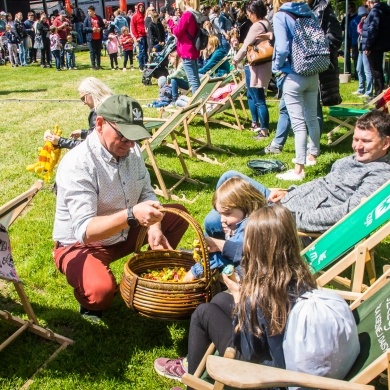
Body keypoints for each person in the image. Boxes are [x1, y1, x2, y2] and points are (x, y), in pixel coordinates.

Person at [52, 94, 189, 320]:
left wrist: (154, 227)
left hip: (124, 231)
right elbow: (85, 231)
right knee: (100, 295)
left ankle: (148, 270)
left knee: (177, 215)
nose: (130, 144)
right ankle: (91, 295)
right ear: (99, 123)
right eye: (124, 136)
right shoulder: (78, 163)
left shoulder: (130, 150)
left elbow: (146, 191)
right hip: (81, 245)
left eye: (134, 137)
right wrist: (132, 215)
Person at [154, 205, 317, 387]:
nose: (245, 245)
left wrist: (240, 297)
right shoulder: (295, 274)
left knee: (203, 313)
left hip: (267, 374)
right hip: (282, 351)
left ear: (258, 247)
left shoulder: (261, 292)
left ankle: (193, 384)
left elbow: (250, 350)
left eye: (248, 240)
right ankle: (196, 362)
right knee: (221, 300)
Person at [205, 110, 390, 234]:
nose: (357, 146)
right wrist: (289, 191)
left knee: (214, 222)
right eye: (355, 139)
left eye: (366, 141)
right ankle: (228, 236)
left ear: (386, 143)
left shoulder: (379, 175)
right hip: (287, 200)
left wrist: (290, 217)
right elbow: (323, 183)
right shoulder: (355, 159)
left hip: (287, 217)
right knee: (230, 176)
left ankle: (224, 249)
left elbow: (348, 214)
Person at [271, 0, 322, 180]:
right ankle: (312, 155)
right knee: (312, 118)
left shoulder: (281, 16)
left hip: (293, 74)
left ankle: (298, 169)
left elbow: (283, 47)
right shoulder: (310, 13)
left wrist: (277, 67)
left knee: (298, 123)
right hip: (313, 72)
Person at [183, 176, 266, 282]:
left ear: (247, 206)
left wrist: (196, 271)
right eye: (220, 214)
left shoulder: (250, 227)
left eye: (227, 213)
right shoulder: (244, 220)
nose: (222, 220)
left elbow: (227, 254)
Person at [232, 0, 272, 137]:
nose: (248, 16)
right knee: (254, 95)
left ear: (254, 13)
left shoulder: (256, 26)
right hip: (265, 63)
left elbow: (245, 47)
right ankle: (257, 123)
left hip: (256, 65)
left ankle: (263, 129)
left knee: (259, 99)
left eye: (249, 13)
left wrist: (235, 59)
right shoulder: (267, 23)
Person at [44, 77, 114, 149]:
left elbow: (92, 145)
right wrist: (83, 133)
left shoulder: (98, 112)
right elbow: (101, 135)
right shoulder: (112, 103)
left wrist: (61, 141)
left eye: (83, 98)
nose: (84, 103)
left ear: (92, 93)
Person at [166, 0, 202, 94]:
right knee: (196, 78)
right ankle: (200, 101)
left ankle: (198, 103)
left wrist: (170, 22)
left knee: (192, 80)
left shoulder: (187, 15)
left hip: (187, 49)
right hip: (193, 49)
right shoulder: (196, 14)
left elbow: (177, 32)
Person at [362, 0, 390, 97]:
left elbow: (373, 29)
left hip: (374, 45)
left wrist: (368, 46)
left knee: (375, 71)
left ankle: (378, 93)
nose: (366, 6)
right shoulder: (384, 10)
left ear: (370, 2)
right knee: (378, 71)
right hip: (381, 44)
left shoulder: (375, 11)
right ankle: (379, 92)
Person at [354, 6, 373, 98]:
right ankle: (361, 89)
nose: (363, 17)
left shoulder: (369, 21)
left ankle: (369, 91)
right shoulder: (363, 22)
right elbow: (359, 31)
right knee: (358, 69)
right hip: (360, 48)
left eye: (364, 15)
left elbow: (366, 33)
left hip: (365, 48)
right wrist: (361, 22)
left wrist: (368, 48)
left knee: (367, 71)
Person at [83, 5, 105, 70]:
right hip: (91, 38)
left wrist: (100, 29)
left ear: (94, 11)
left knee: (98, 51)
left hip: (98, 37)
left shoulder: (99, 17)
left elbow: (103, 26)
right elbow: (84, 28)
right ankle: (93, 65)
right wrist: (91, 29)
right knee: (92, 52)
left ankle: (98, 65)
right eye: (88, 11)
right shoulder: (87, 19)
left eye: (90, 11)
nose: (89, 13)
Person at [130, 3, 148, 71]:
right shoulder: (135, 16)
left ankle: (146, 65)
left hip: (146, 35)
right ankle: (141, 66)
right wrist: (136, 37)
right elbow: (133, 27)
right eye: (139, 7)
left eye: (142, 7)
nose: (141, 8)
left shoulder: (145, 15)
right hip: (140, 36)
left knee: (146, 52)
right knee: (142, 52)